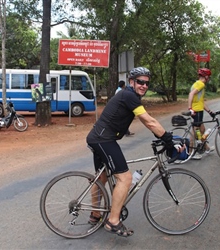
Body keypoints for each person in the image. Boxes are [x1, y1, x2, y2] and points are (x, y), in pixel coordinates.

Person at [86, 67, 182, 238]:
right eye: (140, 81)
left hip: (98, 137)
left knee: (101, 177)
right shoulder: (129, 96)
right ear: (131, 82)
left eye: (146, 82)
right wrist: (168, 139)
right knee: (125, 177)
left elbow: (148, 122)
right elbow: (148, 121)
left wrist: (163, 137)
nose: (144, 85)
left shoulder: (130, 95)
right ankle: (113, 221)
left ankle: (95, 214)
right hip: (103, 140)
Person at [188, 68, 215, 160]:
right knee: (195, 132)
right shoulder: (201, 84)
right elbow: (191, 94)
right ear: (206, 76)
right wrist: (190, 108)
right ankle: (191, 153)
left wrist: (209, 111)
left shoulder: (197, 84)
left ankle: (206, 148)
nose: (209, 78)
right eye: (208, 76)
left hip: (199, 110)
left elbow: (201, 101)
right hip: (196, 111)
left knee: (202, 129)